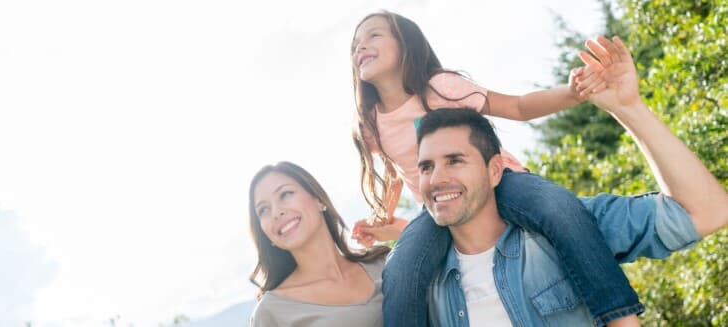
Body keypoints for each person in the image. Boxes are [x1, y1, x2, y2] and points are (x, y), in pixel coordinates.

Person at [348, 10, 637, 326]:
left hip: (500, 181)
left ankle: (618, 315)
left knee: (558, 207)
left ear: (406, 43)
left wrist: (571, 93)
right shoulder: (371, 123)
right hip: (440, 207)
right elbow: (394, 172)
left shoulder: (440, 87)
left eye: (373, 35)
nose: (360, 47)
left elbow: (518, 106)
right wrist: (382, 216)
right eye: (355, 45)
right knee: (401, 266)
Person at [416, 36, 728, 326]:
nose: (437, 178)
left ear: (495, 170)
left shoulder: (570, 227)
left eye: (455, 160)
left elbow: (707, 212)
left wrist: (629, 109)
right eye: (426, 167)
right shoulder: (420, 282)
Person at [248, 162, 389, 327]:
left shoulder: (384, 261)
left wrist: (401, 232)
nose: (276, 212)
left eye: (285, 194)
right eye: (263, 210)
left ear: (318, 199)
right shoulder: (271, 313)